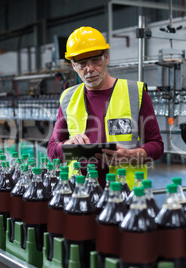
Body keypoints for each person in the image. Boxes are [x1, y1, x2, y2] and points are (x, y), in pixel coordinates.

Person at [47, 26, 164, 188]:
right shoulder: (68, 98)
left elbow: (157, 145)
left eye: (95, 60)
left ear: (106, 58)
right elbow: (52, 150)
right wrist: (68, 145)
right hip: (78, 194)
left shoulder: (134, 93)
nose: (89, 69)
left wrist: (131, 155)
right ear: (73, 66)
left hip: (124, 194)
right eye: (82, 63)